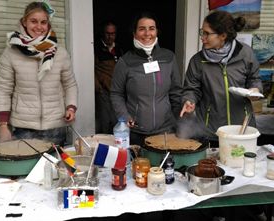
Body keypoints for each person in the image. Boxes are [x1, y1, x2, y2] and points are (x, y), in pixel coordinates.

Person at [0, 1, 78, 145]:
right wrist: (3, 125)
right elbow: (3, 90)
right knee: (27, 167)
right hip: (24, 128)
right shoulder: (11, 53)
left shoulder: (60, 53)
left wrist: (71, 107)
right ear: (24, 22)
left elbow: (69, 84)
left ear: (48, 24)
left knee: (55, 166)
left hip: (56, 127)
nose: (39, 27)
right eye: (33, 21)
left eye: (43, 22)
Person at [180, 10, 262, 143]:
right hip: (210, 130)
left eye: (207, 33)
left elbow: (254, 79)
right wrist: (189, 100)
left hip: (241, 128)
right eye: (202, 32)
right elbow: (191, 89)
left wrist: (255, 90)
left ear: (223, 36)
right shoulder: (197, 61)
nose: (202, 37)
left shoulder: (246, 54)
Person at [110, 11, 183, 147]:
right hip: (137, 132)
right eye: (142, 29)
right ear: (134, 33)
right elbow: (116, 93)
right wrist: (124, 116)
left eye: (151, 28)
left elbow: (176, 92)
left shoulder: (168, 57)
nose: (147, 33)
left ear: (157, 31)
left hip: (166, 131)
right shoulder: (125, 61)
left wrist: (179, 120)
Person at [94, 21, 124, 134]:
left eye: (113, 33)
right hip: (104, 92)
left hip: (118, 92)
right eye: (107, 33)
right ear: (103, 33)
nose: (110, 36)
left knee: (117, 122)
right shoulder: (96, 48)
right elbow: (91, 70)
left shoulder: (120, 49)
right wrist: (99, 89)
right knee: (105, 122)